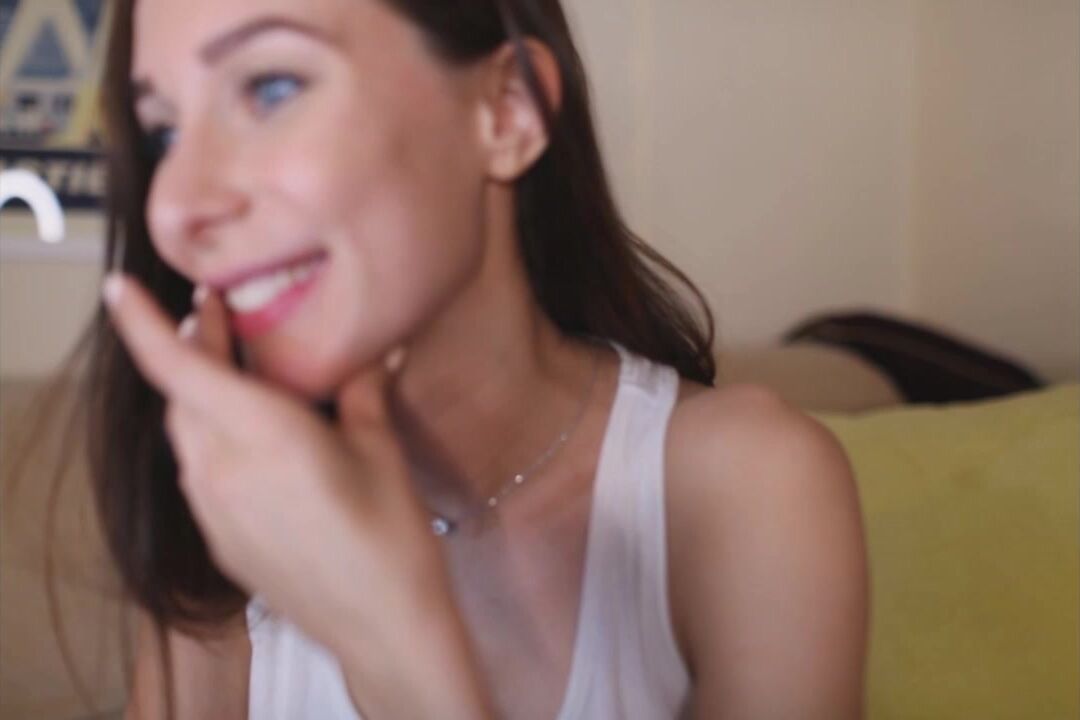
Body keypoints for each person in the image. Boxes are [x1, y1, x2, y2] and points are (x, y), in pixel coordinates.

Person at [59, 0, 869, 716]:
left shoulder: (744, 487)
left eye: (271, 88)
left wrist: (396, 648)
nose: (176, 208)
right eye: (164, 131)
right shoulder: (235, 503)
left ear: (507, 109)